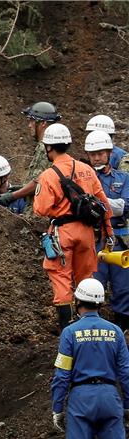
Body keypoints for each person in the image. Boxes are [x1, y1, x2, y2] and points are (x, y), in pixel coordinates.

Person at [33, 123, 113, 331]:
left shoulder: (49, 175)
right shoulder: (86, 169)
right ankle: (90, 328)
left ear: (48, 148)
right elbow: (104, 205)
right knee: (86, 279)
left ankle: (67, 330)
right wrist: (109, 234)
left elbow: (40, 209)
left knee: (61, 278)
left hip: (63, 234)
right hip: (87, 234)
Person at [51, 278, 129, 439]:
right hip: (110, 398)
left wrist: (57, 408)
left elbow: (62, 374)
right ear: (101, 303)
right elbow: (126, 372)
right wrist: (127, 403)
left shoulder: (70, 333)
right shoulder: (116, 332)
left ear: (77, 302)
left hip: (81, 400)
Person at [86, 130, 129, 330]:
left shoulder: (123, 177)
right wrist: (112, 205)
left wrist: (98, 203)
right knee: (95, 284)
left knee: (123, 287)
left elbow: (125, 206)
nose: (96, 158)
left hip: (119, 239)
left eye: (100, 153)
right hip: (94, 240)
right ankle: (95, 326)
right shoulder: (83, 178)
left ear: (109, 153)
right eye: (93, 154)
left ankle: (124, 327)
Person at [0, 101, 61, 209]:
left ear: (43, 123)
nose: (29, 125)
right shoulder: (52, 147)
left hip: (39, 210)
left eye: (32, 121)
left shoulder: (45, 148)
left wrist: (13, 196)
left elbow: (40, 183)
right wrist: (23, 188)